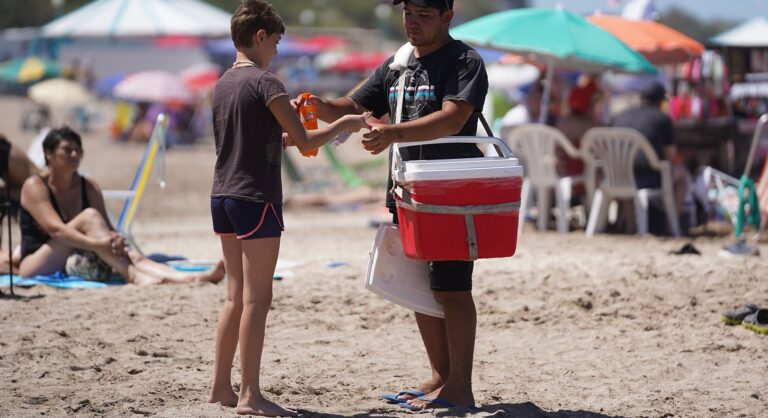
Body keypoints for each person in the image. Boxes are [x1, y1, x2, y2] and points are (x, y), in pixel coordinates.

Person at [292, 0, 487, 411]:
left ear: (447, 16)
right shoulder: (397, 65)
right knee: (419, 287)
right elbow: (353, 106)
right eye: (407, 14)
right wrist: (317, 105)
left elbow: (453, 119)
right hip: (407, 189)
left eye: (423, 14)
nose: (412, 23)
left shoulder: (464, 60)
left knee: (453, 287)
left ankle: (460, 387)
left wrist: (392, 133)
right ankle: (439, 375)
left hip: (450, 188)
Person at [207, 1, 370, 416]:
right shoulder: (266, 83)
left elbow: (263, 140)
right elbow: (308, 142)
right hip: (256, 197)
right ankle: (250, 396)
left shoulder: (222, 84)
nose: (277, 51)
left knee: (234, 296)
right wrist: (347, 124)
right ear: (260, 37)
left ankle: (220, 389)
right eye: (276, 41)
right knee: (258, 300)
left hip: (222, 196)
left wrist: (289, 124)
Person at [18, 126, 226, 285]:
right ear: (48, 154)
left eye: (78, 150)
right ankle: (133, 275)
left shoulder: (87, 186)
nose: (74, 155)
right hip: (36, 263)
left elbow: (105, 228)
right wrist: (99, 245)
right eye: (67, 150)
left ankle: (188, 278)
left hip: (75, 254)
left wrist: (114, 240)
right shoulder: (35, 185)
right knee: (89, 217)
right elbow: (57, 230)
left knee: (130, 252)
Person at [611, 81, 689, 233]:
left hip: (617, 177)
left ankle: (630, 226)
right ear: (661, 101)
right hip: (648, 180)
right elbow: (670, 155)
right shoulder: (662, 118)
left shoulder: (619, 116)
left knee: (631, 171)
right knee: (681, 176)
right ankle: (670, 226)